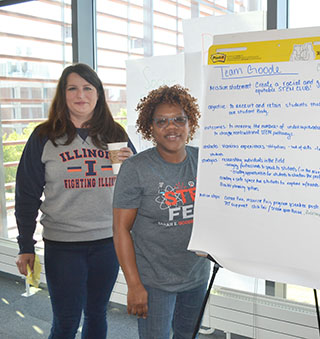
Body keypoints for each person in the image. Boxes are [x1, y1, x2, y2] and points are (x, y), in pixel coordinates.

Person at [15, 63, 136, 339]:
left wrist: (131, 166)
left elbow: (135, 187)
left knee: (97, 314)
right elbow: (26, 196)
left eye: (87, 88)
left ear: (98, 94)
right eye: (73, 88)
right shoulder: (43, 137)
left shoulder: (115, 135)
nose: (80, 95)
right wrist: (26, 245)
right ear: (63, 94)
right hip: (64, 246)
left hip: (109, 242)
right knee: (67, 321)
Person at [112, 84, 209, 339]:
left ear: (190, 123)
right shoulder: (135, 169)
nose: (172, 127)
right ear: (150, 127)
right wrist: (134, 285)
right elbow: (120, 229)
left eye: (179, 119)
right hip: (153, 282)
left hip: (196, 275)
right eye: (162, 121)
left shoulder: (206, 161)